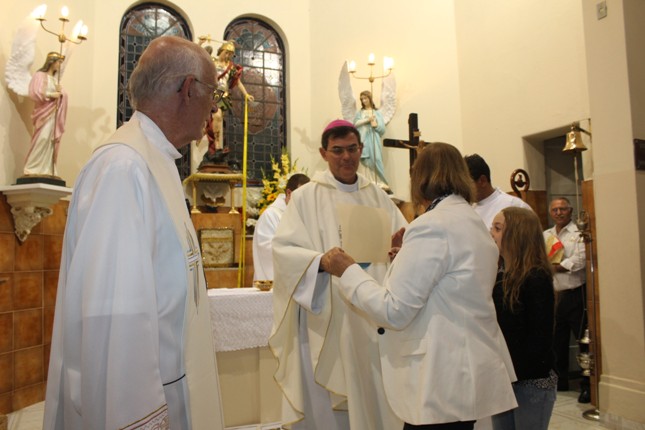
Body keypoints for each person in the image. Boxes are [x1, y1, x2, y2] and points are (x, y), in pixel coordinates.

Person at [43, 36, 225, 430]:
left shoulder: (156, 160)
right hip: (144, 406)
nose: (215, 108)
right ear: (188, 89)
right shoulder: (123, 167)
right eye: (214, 94)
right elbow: (115, 321)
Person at [325, 142, 517, 430]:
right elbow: (451, 285)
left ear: (421, 178)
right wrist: (404, 259)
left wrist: (348, 271)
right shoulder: (472, 221)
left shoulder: (432, 225)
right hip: (467, 369)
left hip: (440, 377)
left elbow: (394, 311)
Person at [269, 119, 407, 430]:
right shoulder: (306, 197)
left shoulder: (378, 196)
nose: (346, 157)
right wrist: (320, 261)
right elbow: (283, 251)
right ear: (324, 153)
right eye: (338, 150)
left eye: (352, 149)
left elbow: (403, 242)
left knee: (372, 397)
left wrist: (399, 251)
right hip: (328, 314)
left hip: (371, 314)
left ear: (362, 149)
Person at [489, 207, 557, 430]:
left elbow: (540, 337)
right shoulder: (499, 275)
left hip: (530, 380)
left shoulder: (536, 278)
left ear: (517, 235)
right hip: (505, 377)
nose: (491, 233)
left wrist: (513, 372)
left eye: (497, 228)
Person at [543, 197, 588, 402]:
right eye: (555, 210)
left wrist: (556, 267)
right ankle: (560, 382)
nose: (559, 213)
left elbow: (580, 260)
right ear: (550, 213)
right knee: (557, 341)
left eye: (563, 209)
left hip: (575, 294)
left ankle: (586, 384)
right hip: (554, 295)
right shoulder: (546, 235)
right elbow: (540, 258)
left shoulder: (579, 234)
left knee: (582, 341)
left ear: (570, 211)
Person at [199, 39, 254, 166]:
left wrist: (246, 94)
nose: (228, 55)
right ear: (221, 51)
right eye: (226, 52)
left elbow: (238, 82)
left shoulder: (231, 67)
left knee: (217, 120)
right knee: (216, 116)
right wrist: (201, 43)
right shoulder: (212, 61)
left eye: (230, 54)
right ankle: (216, 145)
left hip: (223, 95)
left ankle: (216, 146)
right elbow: (199, 56)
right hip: (213, 93)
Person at [252, 172, 310, 281]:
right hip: (273, 282)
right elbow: (268, 250)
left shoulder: (304, 216)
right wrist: (301, 253)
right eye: (302, 197)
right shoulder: (270, 215)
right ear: (289, 193)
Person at [24, 51, 68, 177]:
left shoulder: (54, 80)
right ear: (52, 62)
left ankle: (47, 168)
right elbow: (34, 92)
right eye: (58, 62)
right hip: (43, 114)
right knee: (42, 138)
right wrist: (51, 94)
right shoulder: (39, 75)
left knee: (50, 141)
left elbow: (63, 95)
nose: (59, 65)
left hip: (54, 114)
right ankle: (32, 167)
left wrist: (61, 93)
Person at [464, 153, 531, 229]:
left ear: (482, 181)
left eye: (467, 184)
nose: (463, 189)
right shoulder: (468, 209)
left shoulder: (514, 205)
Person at [353, 90, 388, 190]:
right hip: (363, 139)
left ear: (369, 98)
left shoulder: (377, 113)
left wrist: (375, 125)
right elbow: (355, 124)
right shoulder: (360, 113)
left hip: (373, 139)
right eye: (362, 99)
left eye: (365, 98)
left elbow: (382, 129)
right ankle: (365, 182)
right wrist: (367, 120)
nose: (364, 101)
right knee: (364, 160)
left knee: (376, 158)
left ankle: (379, 182)